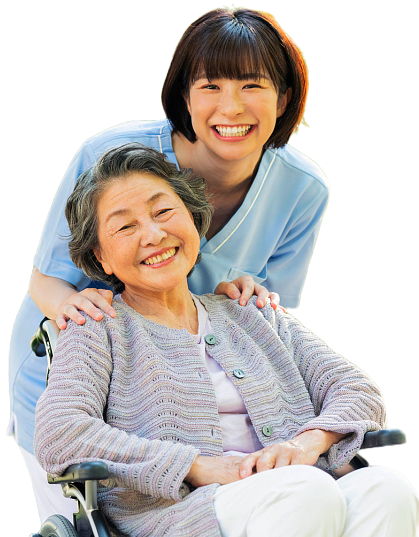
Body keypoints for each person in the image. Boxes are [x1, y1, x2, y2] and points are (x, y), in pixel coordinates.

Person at [9, 5, 329, 524]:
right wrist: (78, 310)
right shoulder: (111, 154)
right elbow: (45, 280)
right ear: (183, 95)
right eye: (211, 87)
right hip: (92, 376)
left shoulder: (302, 188)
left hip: (201, 394)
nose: (232, 108)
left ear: (285, 97)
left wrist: (248, 287)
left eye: (252, 86)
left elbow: (269, 315)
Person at [34, 143, 418, 537]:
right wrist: (193, 465)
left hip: (299, 483)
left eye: (163, 212)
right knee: (306, 491)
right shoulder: (98, 327)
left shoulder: (248, 309)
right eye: (125, 226)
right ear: (102, 259)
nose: (153, 234)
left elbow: (357, 389)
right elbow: (61, 432)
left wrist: (309, 443)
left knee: (388, 488)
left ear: (193, 219)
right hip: (179, 513)